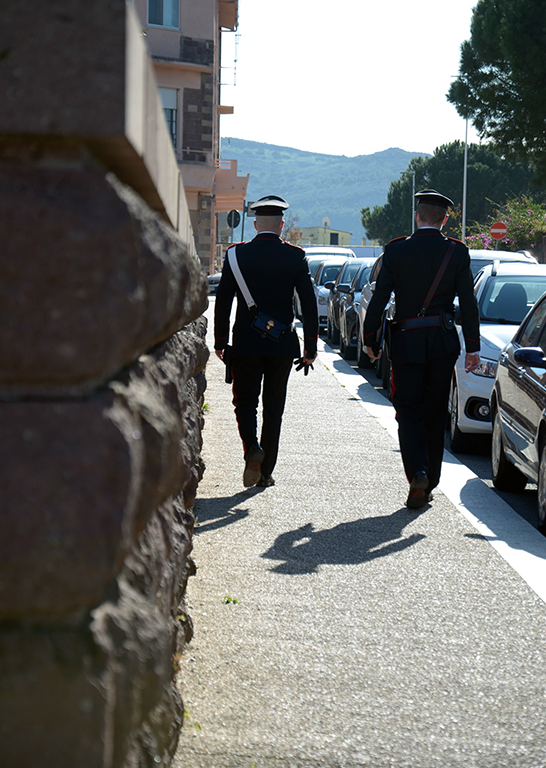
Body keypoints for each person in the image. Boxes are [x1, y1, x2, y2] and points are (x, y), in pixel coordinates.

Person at [363, 189, 480, 509]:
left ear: (417, 216)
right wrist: (473, 347)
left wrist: (370, 338)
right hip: (442, 344)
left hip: (406, 344)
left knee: (408, 411)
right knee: (435, 411)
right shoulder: (456, 252)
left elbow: (379, 298)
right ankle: (430, 482)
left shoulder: (396, 250)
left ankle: (418, 472)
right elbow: (468, 304)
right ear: (444, 220)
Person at [214, 195, 318, 488]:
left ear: (256, 223)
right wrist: (310, 346)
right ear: (282, 226)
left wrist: (220, 341)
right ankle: (266, 472)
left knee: (244, 401)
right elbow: (308, 303)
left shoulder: (236, 255)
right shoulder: (295, 256)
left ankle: (252, 449)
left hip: (246, 342)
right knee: (274, 408)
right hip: (282, 344)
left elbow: (222, 300)